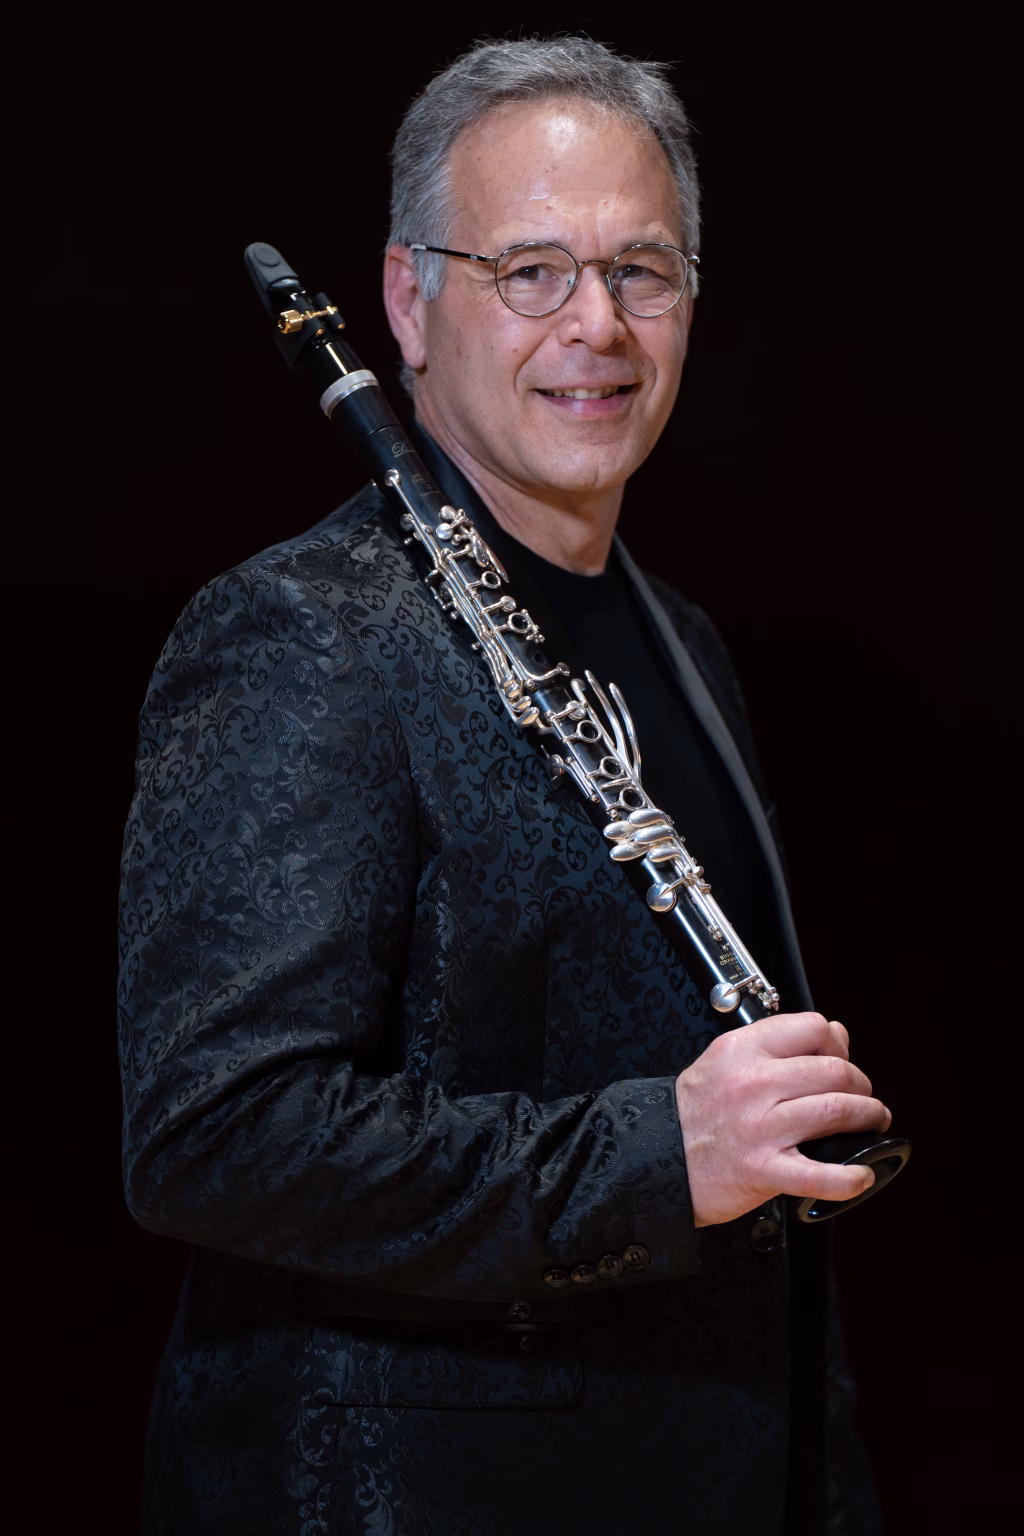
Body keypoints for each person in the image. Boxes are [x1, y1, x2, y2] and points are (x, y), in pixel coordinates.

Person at [119, 36, 889, 1535]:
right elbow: (213, 1136)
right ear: (409, 304)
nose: (596, 325)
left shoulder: (687, 642)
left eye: (640, 272)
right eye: (530, 271)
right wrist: (657, 1158)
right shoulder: (303, 635)